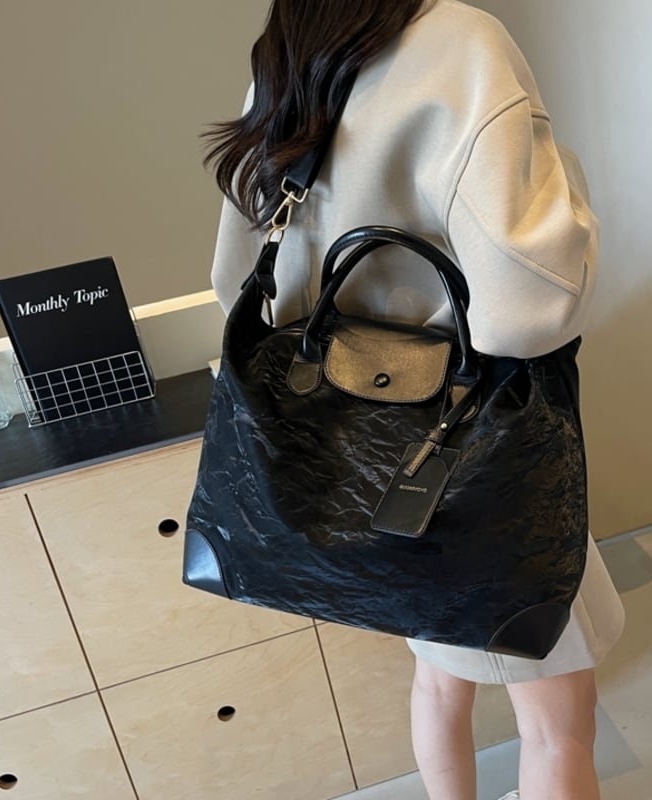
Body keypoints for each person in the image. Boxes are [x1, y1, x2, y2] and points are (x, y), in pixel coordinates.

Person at [204, 1, 625, 798]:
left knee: (438, 683)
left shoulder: (291, 44)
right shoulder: (462, 41)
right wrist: (563, 179)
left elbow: (241, 280)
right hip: (468, 454)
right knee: (557, 723)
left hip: (356, 460)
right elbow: (527, 306)